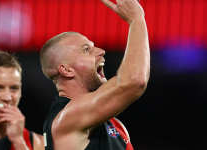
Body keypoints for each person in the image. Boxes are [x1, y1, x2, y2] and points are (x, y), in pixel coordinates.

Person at [40, 0, 150, 150]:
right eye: (86, 49)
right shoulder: (67, 117)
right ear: (66, 70)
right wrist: (136, 19)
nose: (101, 51)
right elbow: (134, 81)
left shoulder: (116, 126)